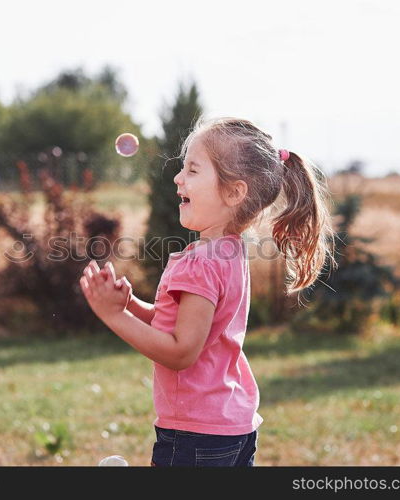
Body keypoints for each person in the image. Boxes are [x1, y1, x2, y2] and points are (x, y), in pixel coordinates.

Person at [79, 117, 336, 466]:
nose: (178, 178)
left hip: (195, 434)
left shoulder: (200, 263)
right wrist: (133, 306)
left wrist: (113, 315)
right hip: (231, 428)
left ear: (234, 192)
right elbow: (188, 326)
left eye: (193, 170)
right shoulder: (229, 254)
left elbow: (182, 351)